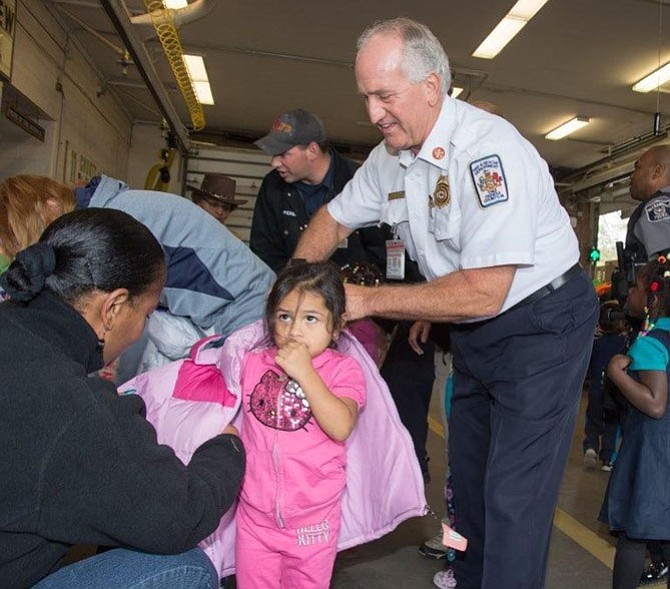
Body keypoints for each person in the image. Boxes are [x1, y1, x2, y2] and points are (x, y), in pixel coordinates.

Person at [293, 17, 598, 589]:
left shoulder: (488, 153)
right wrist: (298, 287)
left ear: (431, 86)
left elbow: (486, 288)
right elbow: (331, 220)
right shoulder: (391, 156)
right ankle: (471, 575)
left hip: (542, 325)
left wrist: (365, 300)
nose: (373, 112)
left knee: (514, 494)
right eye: (366, 97)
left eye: (385, 95)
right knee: (470, 480)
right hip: (476, 328)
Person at [0, 208, 246, 589]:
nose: (143, 327)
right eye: (147, 313)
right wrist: (227, 447)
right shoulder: (71, 407)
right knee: (187, 567)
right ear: (113, 307)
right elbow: (180, 516)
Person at [251, 108, 436, 480]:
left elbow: (399, 247)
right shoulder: (274, 188)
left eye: (284, 153)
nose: (275, 162)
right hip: (308, 312)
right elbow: (265, 253)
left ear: (312, 150)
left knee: (408, 376)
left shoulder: (362, 179)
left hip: (380, 301)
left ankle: (404, 471)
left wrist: (423, 306)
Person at [0, 174, 275, 380]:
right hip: (209, 321)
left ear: (51, 205)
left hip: (247, 319)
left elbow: (125, 319)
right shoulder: (110, 217)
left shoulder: (117, 224)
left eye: (24, 234)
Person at [234, 261, 365, 589]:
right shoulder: (252, 363)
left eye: (311, 318)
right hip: (254, 520)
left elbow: (340, 426)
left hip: (312, 524)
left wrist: (305, 372)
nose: (294, 330)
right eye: (284, 316)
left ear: (336, 327)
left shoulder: (342, 371)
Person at [603, 257, 670, 589]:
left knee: (633, 535)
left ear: (653, 298)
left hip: (652, 458)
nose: (629, 292)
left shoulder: (652, 343)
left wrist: (616, 373)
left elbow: (656, 405)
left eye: (637, 287)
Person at [625, 145, 670, 263]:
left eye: (638, 168)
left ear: (657, 171)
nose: (632, 176)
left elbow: (664, 264)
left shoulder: (657, 207)